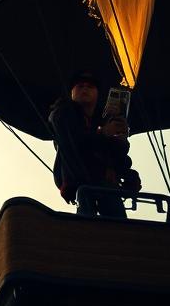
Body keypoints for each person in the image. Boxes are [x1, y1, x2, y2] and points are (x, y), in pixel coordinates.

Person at [48, 72, 139, 218]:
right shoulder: (62, 113)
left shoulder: (102, 121)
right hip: (80, 184)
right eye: (80, 86)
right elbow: (73, 140)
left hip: (106, 186)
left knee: (117, 224)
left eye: (90, 87)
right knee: (87, 221)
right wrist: (103, 133)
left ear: (97, 94)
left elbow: (114, 154)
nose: (85, 89)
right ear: (72, 92)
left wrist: (121, 140)